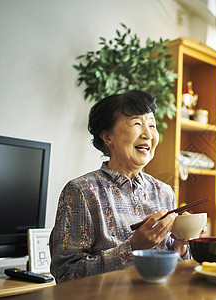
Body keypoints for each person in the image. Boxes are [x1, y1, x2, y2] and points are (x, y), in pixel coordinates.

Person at [50, 90, 191, 283]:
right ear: (108, 137)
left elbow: (177, 270)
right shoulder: (81, 191)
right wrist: (132, 248)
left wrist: (181, 243)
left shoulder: (164, 193)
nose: (148, 134)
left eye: (152, 124)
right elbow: (66, 273)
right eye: (137, 124)